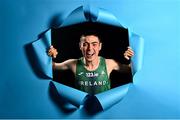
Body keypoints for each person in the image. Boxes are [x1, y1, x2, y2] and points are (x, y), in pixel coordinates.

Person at [48, 34, 134, 95]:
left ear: (100, 46)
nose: (90, 49)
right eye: (85, 44)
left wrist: (132, 57)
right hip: (83, 110)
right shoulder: (73, 64)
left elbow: (130, 69)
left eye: (94, 44)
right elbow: (53, 66)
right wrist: (50, 55)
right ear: (80, 46)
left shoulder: (109, 63)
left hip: (104, 109)